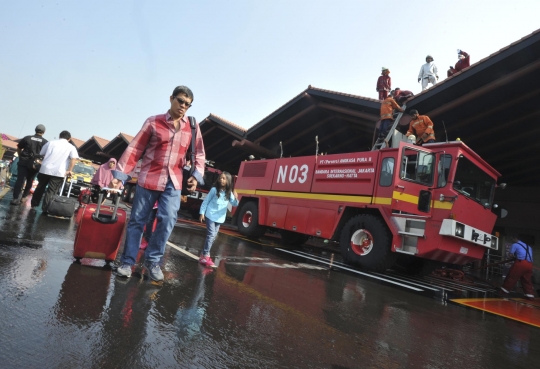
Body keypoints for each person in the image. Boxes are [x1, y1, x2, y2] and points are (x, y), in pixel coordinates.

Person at [113, 85, 206, 282]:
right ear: (171, 98)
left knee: (167, 218)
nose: (183, 106)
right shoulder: (153, 122)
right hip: (149, 177)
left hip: (174, 181)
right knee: (138, 220)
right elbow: (135, 148)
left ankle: (153, 261)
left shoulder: (192, 127)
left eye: (187, 104)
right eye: (180, 101)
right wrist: (120, 174)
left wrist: (196, 175)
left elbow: (199, 153)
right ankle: (127, 262)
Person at [31, 131, 79, 212]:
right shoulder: (71, 147)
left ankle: (34, 205)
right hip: (58, 172)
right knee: (51, 191)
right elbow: (74, 158)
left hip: (45, 169)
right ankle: (46, 208)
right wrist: (69, 170)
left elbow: (42, 153)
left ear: (59, 136)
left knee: (40, 187)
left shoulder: (50, 143)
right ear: (69, 139)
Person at [198, 172, 239, 267]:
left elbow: (235, 204)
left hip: (219, 218)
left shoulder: (229, 193)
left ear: (228, 181)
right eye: (221, 178)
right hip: (210, 215)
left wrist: (236, 197)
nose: (221, 180)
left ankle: (203, 255)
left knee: (213, 237)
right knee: (211, 235)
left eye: (224, 179)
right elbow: (206, 201)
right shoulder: (214, 190)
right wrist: (202, 213)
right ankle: (205, 255)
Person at [10, 124, 48, 205]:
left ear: (35, 130)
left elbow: (19, 148)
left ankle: (15, 198)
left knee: (20, 180)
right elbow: (46, 154)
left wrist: (20, 156)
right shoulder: (45, 142)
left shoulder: (27, 138)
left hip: (24, 161)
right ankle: (24, 197)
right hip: (35, 164)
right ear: (44, 132)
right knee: (30, 180)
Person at [500, 236, 535, 300]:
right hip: (529, 265)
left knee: (512, 277)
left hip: (521, 263)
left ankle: (503, 292)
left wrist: (514, 257)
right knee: (526, 280)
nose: (512, 240)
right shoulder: (529, 247)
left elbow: (510, 255)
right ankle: (530, 295)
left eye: (512, 239)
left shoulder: (515, 245)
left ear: (516, 239)